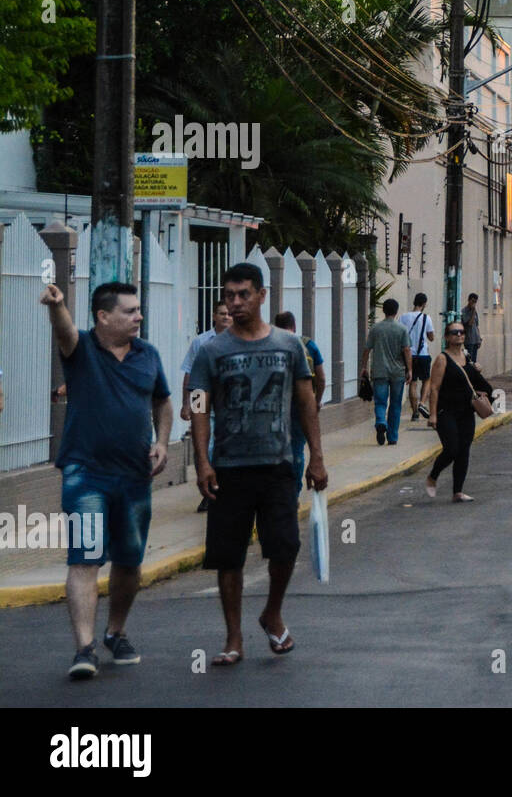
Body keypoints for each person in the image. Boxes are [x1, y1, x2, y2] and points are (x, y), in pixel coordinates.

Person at [190, 262, 326, 666]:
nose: (234, 303)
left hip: (278, 463)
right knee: (227, 555)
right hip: (229, 467)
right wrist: (202, 462)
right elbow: (199, 405)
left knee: (285, 546)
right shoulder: (211, 350)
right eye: (229, 295)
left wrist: (316, 456)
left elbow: (306, 401)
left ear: (262, 295)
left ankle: (272, 612)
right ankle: (233, 637)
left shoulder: (288, 345)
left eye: (243, 294)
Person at [41, 281, 172, 680]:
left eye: (138, 310)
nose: (139, 317)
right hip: (86, 474)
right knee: (85, 558)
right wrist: (57, 305)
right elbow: (63, 332)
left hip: (135, 475)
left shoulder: (148, 354)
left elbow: (163, 401)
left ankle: (116, 632)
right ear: (103, 316)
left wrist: (163, 442)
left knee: (129, 560)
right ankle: (84, 648)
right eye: (130, 311)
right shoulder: (81, 350)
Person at [422, 320, 493, 501]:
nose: (459, 335)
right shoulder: (442, 359)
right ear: (447, 337)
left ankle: (457, 492)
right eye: (454, 332)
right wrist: (432, 414)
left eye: (461, 332)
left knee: (464, 450)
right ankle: (433, 476)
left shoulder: (467, 356)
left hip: (466, 411)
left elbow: (474, 382)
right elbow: (435, 388)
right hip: (446, 411)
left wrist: (478, 369)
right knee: (452, 448)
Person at [180, 301, 232, 512]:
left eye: (229, 314)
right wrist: (187, 404)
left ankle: (221, 490)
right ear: (214, 316)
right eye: (221, 313)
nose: (226, 317)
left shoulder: (238, 340)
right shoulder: (201, 342)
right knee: (206, 446)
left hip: (229, 403)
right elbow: (190, 374)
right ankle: (210, 490)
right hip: (204, 398)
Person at [272, 311, 326, 491]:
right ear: (294, 326)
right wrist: (316, 402)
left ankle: (279, 487)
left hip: (277, 406)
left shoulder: (271, 345)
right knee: (296, 448)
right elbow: (321, 378)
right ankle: (293, 492)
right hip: (301, 405)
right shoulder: (309, 345)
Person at [362, 299, 412, 446]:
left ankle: (380, 421)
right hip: (397, 372)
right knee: (396, 404)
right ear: (396, 312)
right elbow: (407, 350)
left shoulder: (376, 329)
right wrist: (410, 369)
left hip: (380, 370)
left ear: (383, 311)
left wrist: (363, 367)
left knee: (380, 401)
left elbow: (367, 349)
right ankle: (392, 437)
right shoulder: (402, 329)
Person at [399, 293, 435, 423]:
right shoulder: (426, 318)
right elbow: (431, 337)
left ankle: (414, 412)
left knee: (412, 382)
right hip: (423, 354)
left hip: (409, 354)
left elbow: (400, 334)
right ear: (424, 304)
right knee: (426, 379)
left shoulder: (403, 317)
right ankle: (422, 403)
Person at [462, 293, 483, 364]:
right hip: (469, 340)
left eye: (475, 302)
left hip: (475, 340)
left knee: (474, 361)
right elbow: (470, 324)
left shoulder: (475, 312)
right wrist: (473, 311)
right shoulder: (464, 311)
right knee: (469, 361)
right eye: (473, 301)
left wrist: (479, 339)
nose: (474, 303)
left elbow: (477, 326)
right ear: (469, 300)